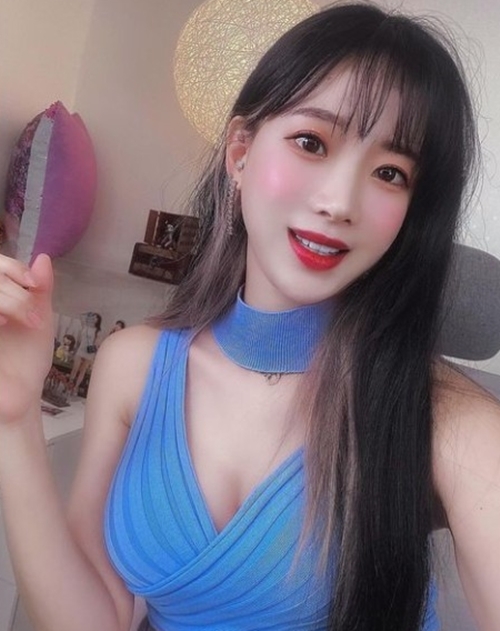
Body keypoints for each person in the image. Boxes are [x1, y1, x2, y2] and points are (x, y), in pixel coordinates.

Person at [0, 3, 499, 631]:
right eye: (311, 142)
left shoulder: (451, 421)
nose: (339, 201)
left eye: (390, 173)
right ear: (240, 153)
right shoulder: (134, 365)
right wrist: (13, 419)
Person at [68, 312, 102, 397]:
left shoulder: (97, 331)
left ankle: (76, 387)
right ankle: (69, 385)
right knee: (75, 368)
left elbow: (97, 343)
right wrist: (88, 314)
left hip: (89, 352)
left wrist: (93, 349)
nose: (94, 319)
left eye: (96, 318)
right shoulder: (85, 326)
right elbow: (81, 316)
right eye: (93, 317)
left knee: (82, 371)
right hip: (81, 350)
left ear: (98, 320)